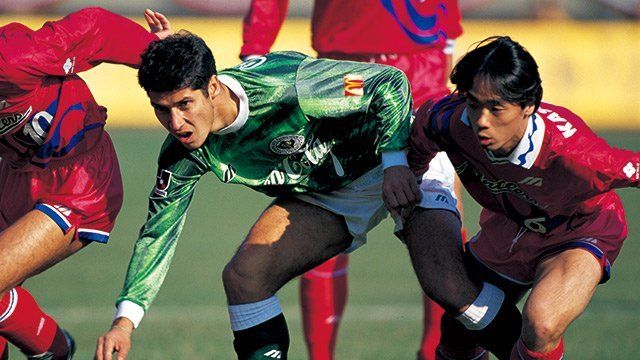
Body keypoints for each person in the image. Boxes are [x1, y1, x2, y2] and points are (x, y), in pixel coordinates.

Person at [93, 31, 461, 360]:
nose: (175, 124)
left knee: (450, 287)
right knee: (245, 277)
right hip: (330, 193)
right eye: (162, 109)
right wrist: (125, 320)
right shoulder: (183, 153)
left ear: (213, 88)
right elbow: (158, 233)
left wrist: (396, 162)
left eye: (184, 104)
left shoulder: (293, 87)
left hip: (403, 158)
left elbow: (386, 83)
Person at [240, 1, 464, 359]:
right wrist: (253, 54)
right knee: (318, 220)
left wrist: (446, 55)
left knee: (440, 232)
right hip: (345, 74)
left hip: (422, 72)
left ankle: (435, 353)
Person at [404, 36, 639, 360]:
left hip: (579, 229)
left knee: (541, 323)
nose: (482, 120)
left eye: (496, 108)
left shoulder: (576, 155)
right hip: (512, 225)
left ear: (528, 106)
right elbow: (420, 138)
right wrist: (405, 175)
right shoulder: (451, 121)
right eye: (474, 105)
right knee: (459, 332)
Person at [0, 7, 171, 360]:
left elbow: (97, 27)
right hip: (15, 174)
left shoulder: (14, 57)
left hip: (80, 179)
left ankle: (56, 351)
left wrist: (156, 52)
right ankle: (54, 349)